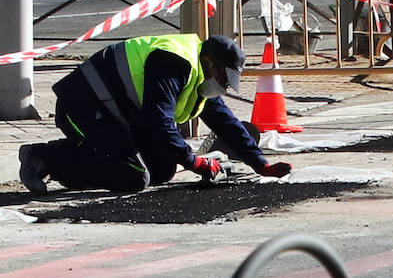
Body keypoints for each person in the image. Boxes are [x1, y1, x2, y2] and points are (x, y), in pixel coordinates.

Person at [18, 34, 292, 194]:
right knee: (134, 176)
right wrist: (194, 162)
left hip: (113, 112)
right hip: (81, 108)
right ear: (209, 62)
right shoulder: (173, 62)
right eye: (222, 76)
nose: (222, 85)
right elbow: (158, 122)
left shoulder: (200, 76)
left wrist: (260, 163)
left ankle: (77, 159)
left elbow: (223, 120)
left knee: (161, 168)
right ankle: (44, 156)